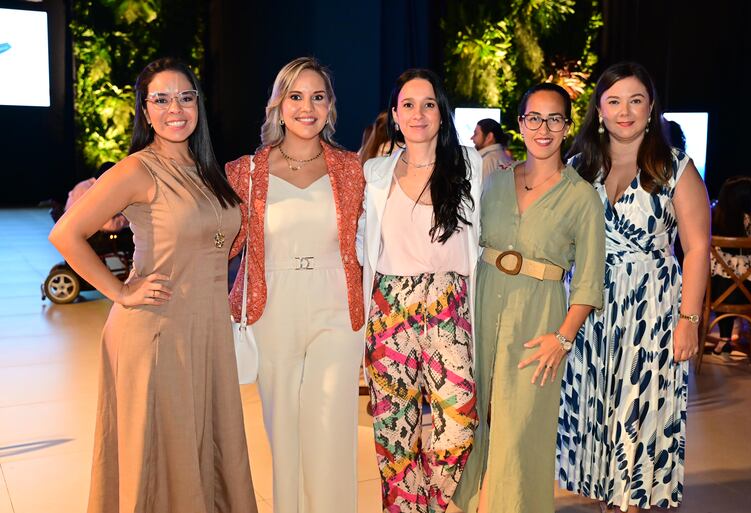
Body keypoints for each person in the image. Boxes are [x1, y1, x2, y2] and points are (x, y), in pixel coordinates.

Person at [49, 57, 257, 513]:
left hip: (206, 329)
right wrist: (121, 292)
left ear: (198, 104)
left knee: (203, 444)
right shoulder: (137, 169)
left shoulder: (206, 169)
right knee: (161, 453)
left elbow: (220, 237)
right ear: (145, 111)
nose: (174, 109)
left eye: (185, 97)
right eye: (160, 99)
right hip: (157, 331)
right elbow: (65, 233)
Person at [556, 62, 711, 512]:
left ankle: (633, 504)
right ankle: (609, 502)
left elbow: (697, 248)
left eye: (636, 100)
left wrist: (689, 320)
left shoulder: (674, 166)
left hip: (651, 313)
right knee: (599, 414)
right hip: (590, 311)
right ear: (599, 110)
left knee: (639, 415)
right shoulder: (578, 167)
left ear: (650, 108)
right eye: (614, 101)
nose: (625, 111)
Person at [453, 83, 605, 513]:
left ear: (567, 126)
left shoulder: (581, 196)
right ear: (520, 124)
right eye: (533, 118)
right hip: (483, 309)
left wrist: (562, 338)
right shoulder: (495, 182)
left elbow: (589, 281)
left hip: (539, 318)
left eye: (553, 118)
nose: (543, 128)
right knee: (479, 418)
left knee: (520, 431)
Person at [226, 57, 365, 513]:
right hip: (274, 309)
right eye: (296, 96)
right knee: (283, 431)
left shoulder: (351, 169)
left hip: (337, 311)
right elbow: (219, 244)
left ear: (330, 107)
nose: (307, 107)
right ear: (278, 104)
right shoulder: (244, 172)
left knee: (330, 429)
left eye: (318, 97)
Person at [358, 68, 481, 513]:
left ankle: (428, 500)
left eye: (428, 104)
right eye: (408, 105)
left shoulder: (470, 164)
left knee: (459, 422)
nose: (418, 113)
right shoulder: (375, 171)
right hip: (390, 307)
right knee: (394, 431)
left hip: (449, 306)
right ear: (394, 115)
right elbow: (361, 238)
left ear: (442, 114)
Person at [710, 176, 751, 354]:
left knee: (721, 280)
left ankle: (724, 338)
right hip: (748, 295)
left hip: (716, 293)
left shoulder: (715, 221)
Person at [63, 162, 130, 233]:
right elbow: (109, 224)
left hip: (67, 231)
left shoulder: (83, 184)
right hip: (79, 235)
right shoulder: (96, 192)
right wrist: (128, 220)